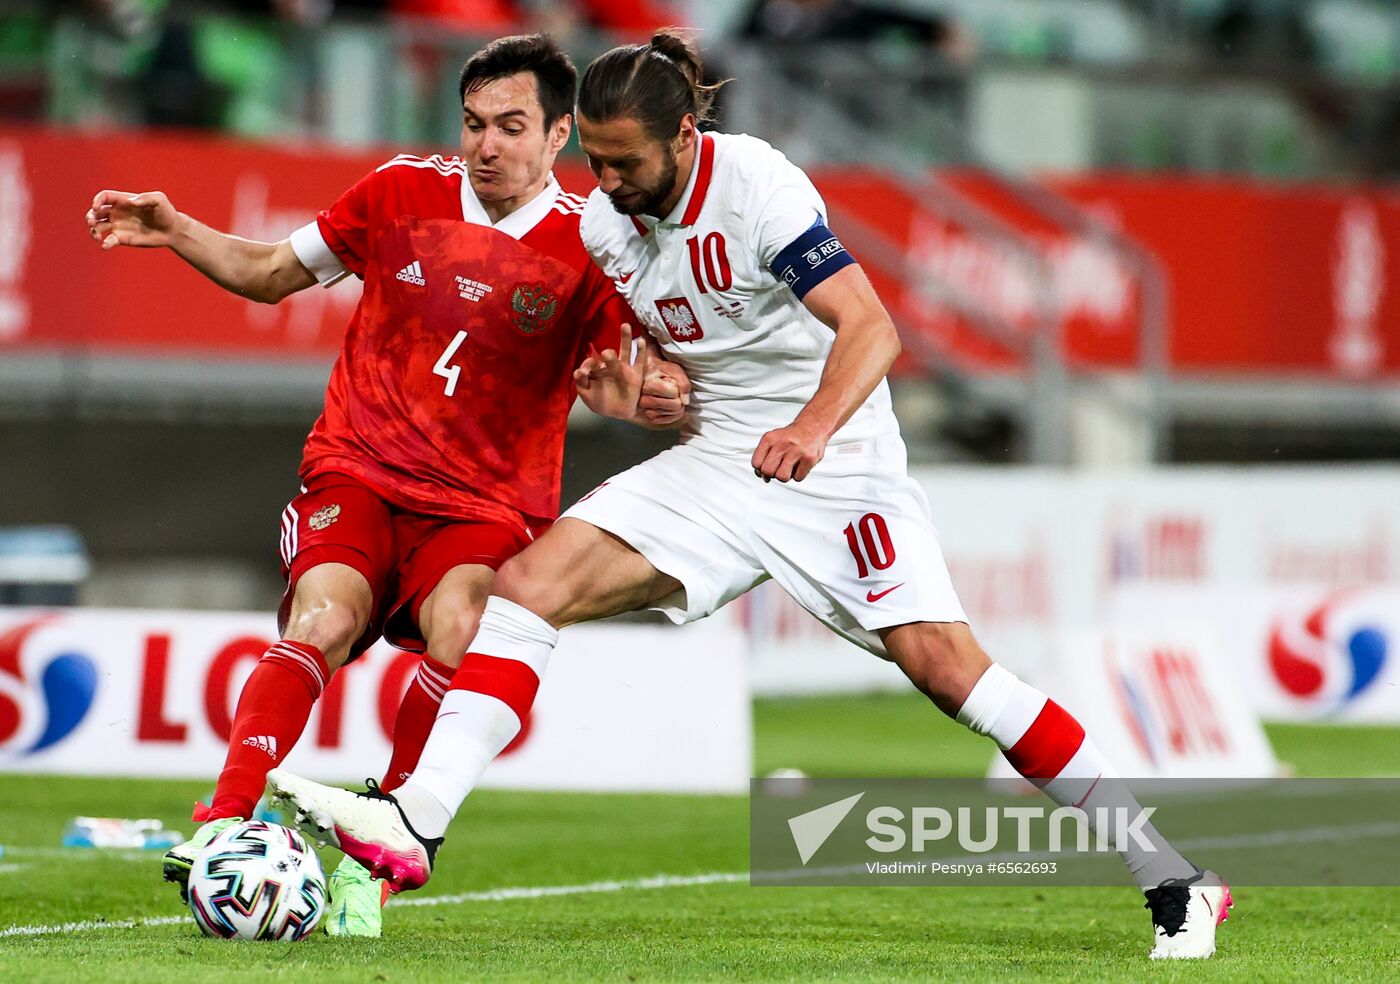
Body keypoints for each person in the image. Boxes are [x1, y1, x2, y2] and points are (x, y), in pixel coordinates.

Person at [267, 32, 1231, 960]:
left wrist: (810, 429)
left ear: (683, 138)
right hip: (721, 460)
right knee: (526, 588)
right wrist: (625, 392)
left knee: (953, 675)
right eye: (594, 162)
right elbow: (647, 371)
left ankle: (1174, 876)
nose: (604, 185)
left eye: (623, 162)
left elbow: (871, 327)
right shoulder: (606, 223)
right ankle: (415, 825)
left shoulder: (758, 186)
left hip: (837, 461)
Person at [84, 33, 688, 937]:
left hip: (483, 509)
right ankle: (221, 823)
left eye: (512, 127)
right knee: (321, 620)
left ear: (560, 132)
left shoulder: (597, 242)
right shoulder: (399, 190)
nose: (487, 145)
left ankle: (384, 850)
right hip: (359, 471)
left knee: (471, 623)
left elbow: (638, 385)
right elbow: (269, 274)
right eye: (474, 123)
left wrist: (643, 397)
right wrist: (174, 228)